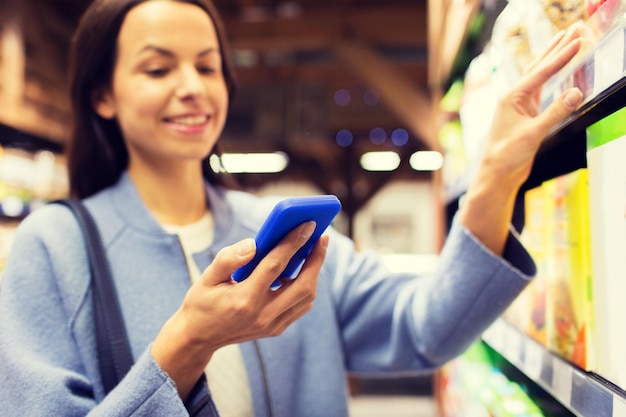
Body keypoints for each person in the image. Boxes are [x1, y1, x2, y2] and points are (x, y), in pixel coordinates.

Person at [0, 0, 584, 416]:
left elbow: (425, 326)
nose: (193, 86)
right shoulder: (52, 248)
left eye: (207, 66)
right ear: (102, 95)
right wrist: (187, 346)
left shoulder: (280, 231)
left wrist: (492, 182)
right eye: (158, 68)